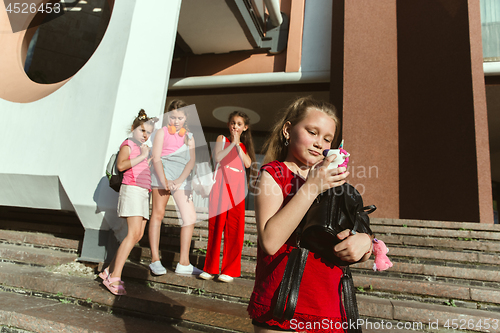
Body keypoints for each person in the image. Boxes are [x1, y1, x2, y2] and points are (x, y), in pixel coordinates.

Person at [247, 97, 373, 332]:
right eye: (312, 132)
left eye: (327, 138)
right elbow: (270, 241)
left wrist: (364, 243)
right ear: (288, 130)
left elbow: (354, 234)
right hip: (284, 301)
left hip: (329, 305)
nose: (319, 143)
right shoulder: (274, 174)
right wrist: (312, 186)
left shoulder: (335, 183)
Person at [100, 109, 155, 296]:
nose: (145, 135)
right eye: (142, 130)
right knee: (132, 234)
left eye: (148, 132)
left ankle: (108, 271)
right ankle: (114, 276)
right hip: (131, 190)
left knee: (137, 235)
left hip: (142, 192)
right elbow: (121, 165)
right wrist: (142, 156)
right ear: (133, 129)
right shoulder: (129, 143)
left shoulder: (142, 148)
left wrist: (147, 160)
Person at [199, 111, 256, 282]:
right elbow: (218, 157)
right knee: (216, 227)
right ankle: (210, 268)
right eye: (233, 123)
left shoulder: (244, 147)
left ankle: (229, 270)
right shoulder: (221, 139)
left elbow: (248, 164)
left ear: (245, 128)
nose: (235, 126)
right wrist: (233, 144)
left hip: (237, 191)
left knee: (235, 229)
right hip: (220, 187)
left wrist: (238, 145)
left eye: (239, 124)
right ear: (228, 125)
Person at [148, 100, 201, 275]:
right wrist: (165, 181)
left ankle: (184, 263)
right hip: (162, 175)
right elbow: (156, 158)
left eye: (179, 117)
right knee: (158, 214)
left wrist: (178, 181)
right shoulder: (161, 132)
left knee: (190, 217)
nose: (175, 121)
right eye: (172, 117)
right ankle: (155, 259)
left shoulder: (190, 137)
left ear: (185, 118)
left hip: (181, 180)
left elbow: (191, 161)